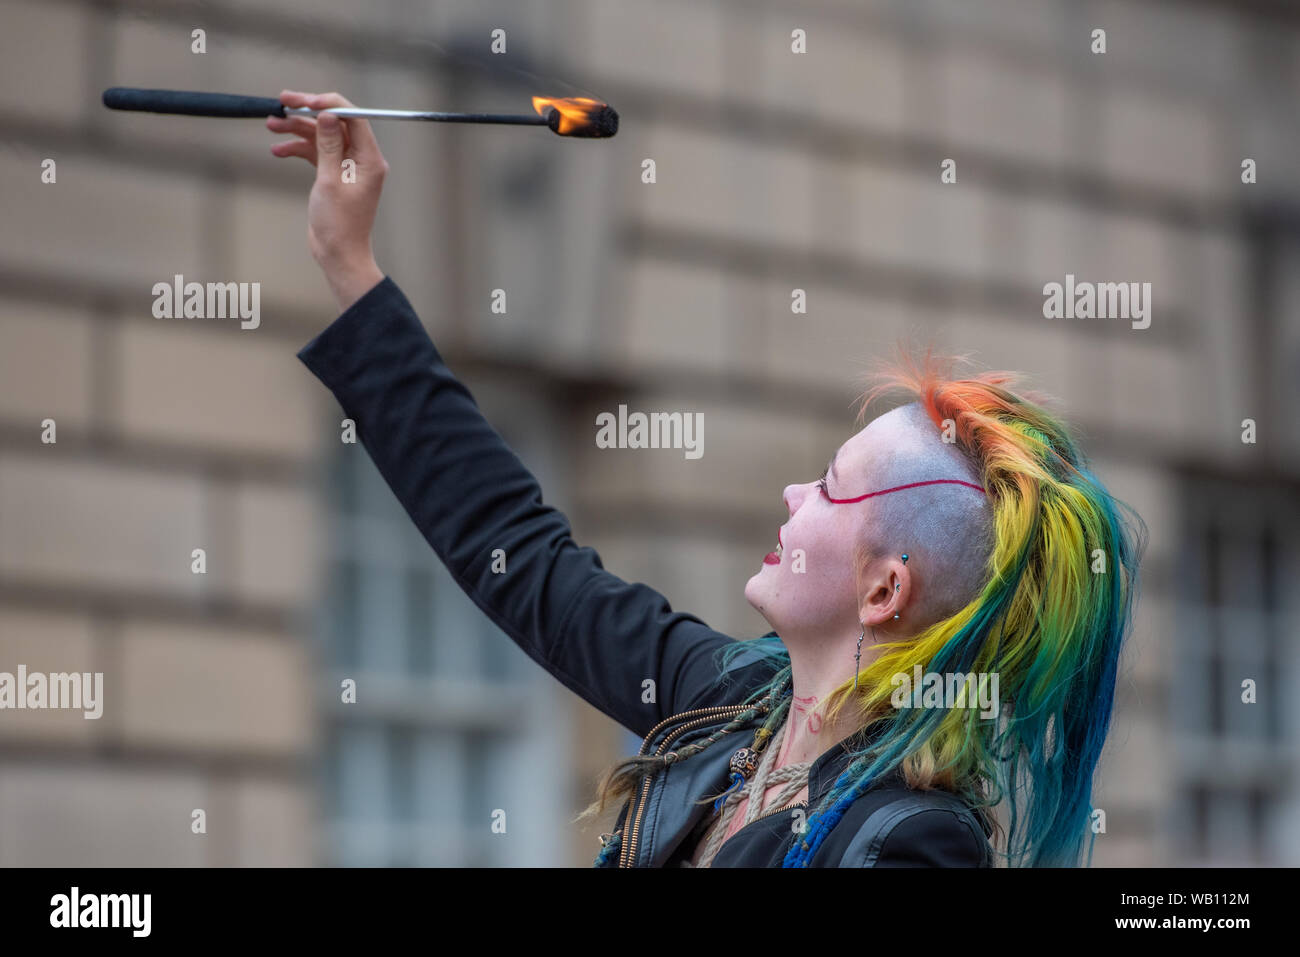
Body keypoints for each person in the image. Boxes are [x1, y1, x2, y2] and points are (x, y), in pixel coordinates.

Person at [270, 90, 1145, 868]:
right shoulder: (726, 704)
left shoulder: (914, 843)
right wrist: (351, 265)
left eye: (832, 486)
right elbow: (522, 555)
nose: (792, 496)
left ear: (884, 589)